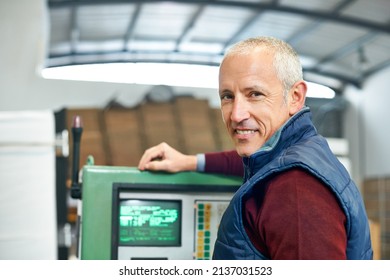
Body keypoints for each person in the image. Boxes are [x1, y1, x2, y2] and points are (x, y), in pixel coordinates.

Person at [138, 36, 373, 260]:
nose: (237, 114)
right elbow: (255, 163)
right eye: (227, 96)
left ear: (295, 96)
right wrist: (188, 162)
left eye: (255, 94)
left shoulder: (296, 187)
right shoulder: (293, 152)